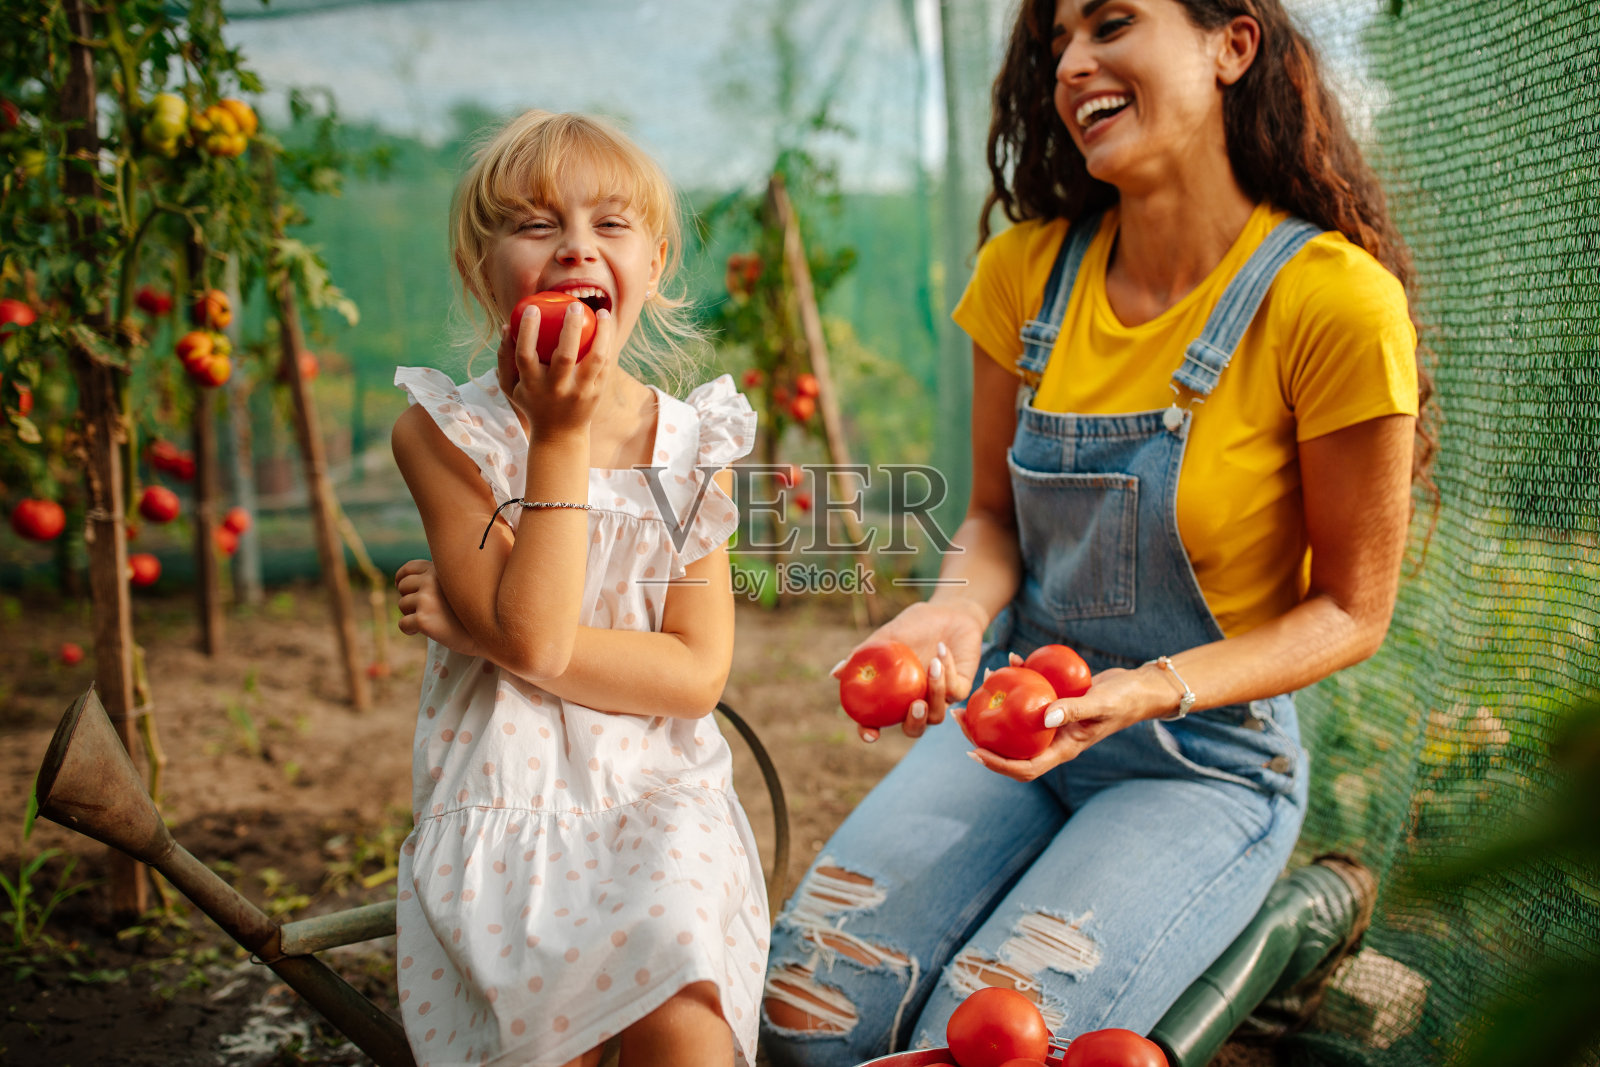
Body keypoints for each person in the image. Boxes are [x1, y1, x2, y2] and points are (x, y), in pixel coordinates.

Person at [761, 0, 1427, 1061]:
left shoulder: (1332, 303)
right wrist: (951, 611)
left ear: (1231, 44)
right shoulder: (1024, 273)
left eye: (1111, 23)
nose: (1072, 63)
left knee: (976, 1043)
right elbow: (989, 517)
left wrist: (1146, 688)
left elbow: (1353, 608)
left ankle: (1292, 917)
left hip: (1198, 763)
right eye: (1056, 41)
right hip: (1011, 724)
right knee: (804, 1014)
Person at [388, 110, 765, 1067]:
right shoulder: (444, 436)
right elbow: (537, 639)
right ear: (483, 269)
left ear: (657, 261)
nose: (573, 249)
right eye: (535, 224)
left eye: (610, 224)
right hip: (504, 805)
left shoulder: (693, 446)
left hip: (660, 799)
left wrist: (488, 632)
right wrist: (558, 435)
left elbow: (688, 676)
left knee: (683, 1024)